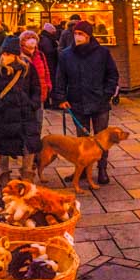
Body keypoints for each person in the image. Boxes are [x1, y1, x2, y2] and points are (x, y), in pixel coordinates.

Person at [50, 20, 120, 185]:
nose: (77, 37)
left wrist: (107, 93)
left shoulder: (102, 52)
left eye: (81, 34)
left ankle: (102, 169)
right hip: (77, 101)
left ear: (88, 36)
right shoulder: (66, 55)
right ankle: (81, 170)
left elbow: (112, 75)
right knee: (82, 140)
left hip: (99, 102)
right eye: (76, 33)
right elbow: (60, 78)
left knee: (102, 139)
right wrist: (61, 98)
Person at [0, 36, 42, 184]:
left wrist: (33, 103)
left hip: (26, 113)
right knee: (4, 144)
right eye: (3, 53)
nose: (5, 56)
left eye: (8, 53)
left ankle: (27, 175)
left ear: (16, 54)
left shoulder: (28, 67)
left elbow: (36, 87)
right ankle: (3, 174)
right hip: (6, 113)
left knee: (28, 144)